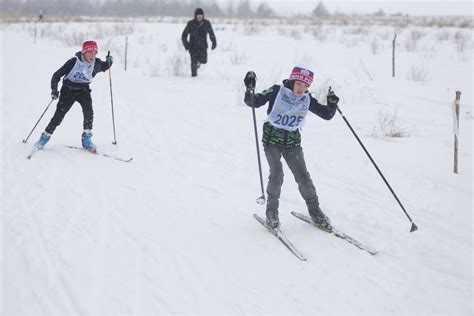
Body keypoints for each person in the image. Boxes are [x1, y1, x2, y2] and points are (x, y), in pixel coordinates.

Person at [243, 67, 340, 229]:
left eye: (305, 86)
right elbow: (254, 101)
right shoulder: (276, 91)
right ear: (293, 80)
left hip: (292, 143)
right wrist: (249, 88)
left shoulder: (306, 98)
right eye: (299, 84)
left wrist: (332, 105)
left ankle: (315, 212)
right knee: (277, 175)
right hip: (271, 140)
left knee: (303, 177)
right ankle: (271, 213)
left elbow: (326, 115)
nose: (301, 89)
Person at [34, 41, 113, 151]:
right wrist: (54, 90)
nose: (93, 56)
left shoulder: (96, 63)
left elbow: (105, 66)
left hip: (84, 90)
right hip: (68, 90)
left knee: (89, 112)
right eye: (90, 52)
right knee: (58, 117)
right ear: (84, 52)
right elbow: (56, 76)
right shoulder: (73, 62)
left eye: (95, 53)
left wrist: (109, 62)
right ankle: (44, 138)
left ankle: (86, 139)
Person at [181, 8, 217, 77]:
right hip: (193, 47)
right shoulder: (191, 24)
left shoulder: (207, 23)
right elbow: (184, 36)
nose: (199, 16)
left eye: (201, 15)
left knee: (204, 61)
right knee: (193, 63)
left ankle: (198, 63)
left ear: (203, 16)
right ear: (195, 16)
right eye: (198, 15)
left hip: (203, 47)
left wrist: (214, 42)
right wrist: (187, 45)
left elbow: (211, 34)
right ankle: (194, 78)